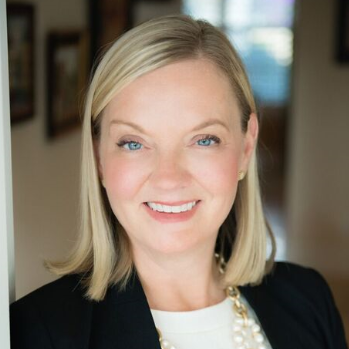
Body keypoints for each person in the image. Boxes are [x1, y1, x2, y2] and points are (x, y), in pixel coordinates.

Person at [10, 14, 348, 349]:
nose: (169, 178)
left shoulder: (309, 299)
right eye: (133, 143)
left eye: (203, 140)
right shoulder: (34, 333)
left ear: (246, 147)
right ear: (99, 157)